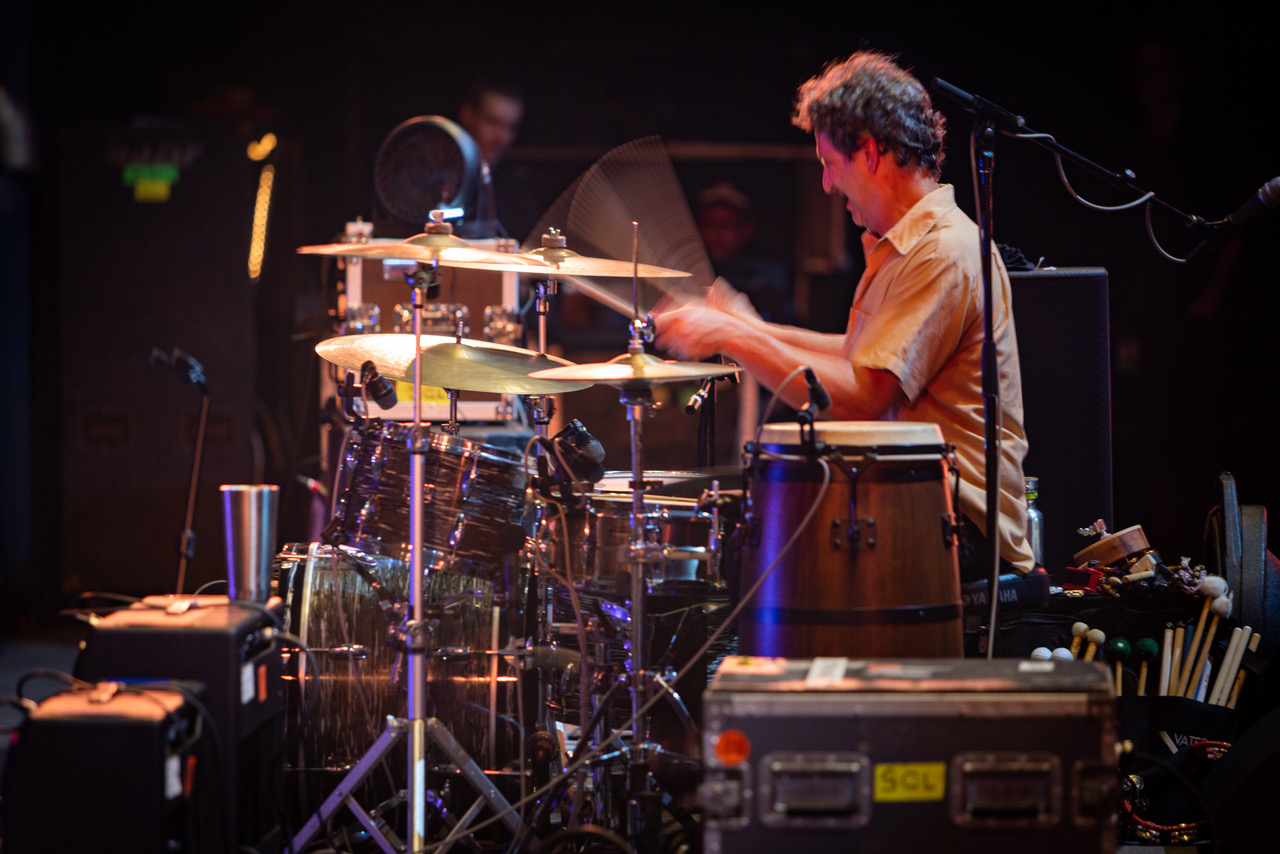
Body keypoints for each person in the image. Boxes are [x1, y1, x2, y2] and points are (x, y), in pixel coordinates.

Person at [655, 51, 1035, 578]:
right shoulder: (905, 245)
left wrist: (735, 339)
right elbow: (861, 356)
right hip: (920, 508)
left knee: (756, 562)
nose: (828, 184)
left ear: (871, 153)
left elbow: (864, 398)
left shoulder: (942, 251)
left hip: (957, 527)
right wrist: (750, 327)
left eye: (831, 163)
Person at [455, 79, 540, 241]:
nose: (502, 137)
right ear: (467, 115)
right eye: (492, 122)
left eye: (510, 127)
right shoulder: (434, 179)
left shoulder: (519, 192)